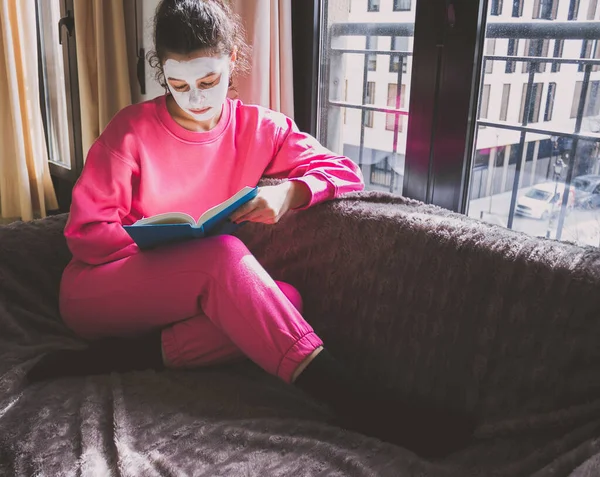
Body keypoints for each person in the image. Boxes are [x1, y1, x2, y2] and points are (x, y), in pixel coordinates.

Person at [27, 0, 474, 457]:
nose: (196, 98)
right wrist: (163, 249)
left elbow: (343, 171)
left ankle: (129, 357)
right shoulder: (131, 131)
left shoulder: (261, 128)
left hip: (181, 296)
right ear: (162, 72)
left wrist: (289, 194)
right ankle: (354, 399)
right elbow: (85, 233)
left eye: (208, 81)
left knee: (284, 302)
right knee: (221, 257)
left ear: (232, 61)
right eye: (179, 84)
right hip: (98, 289)